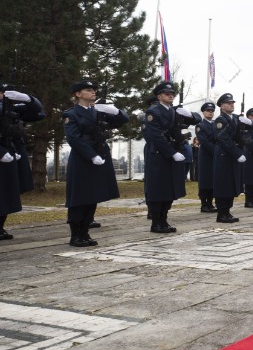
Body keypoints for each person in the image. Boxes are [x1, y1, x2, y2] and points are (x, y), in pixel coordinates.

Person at [62, 80, 129, 247]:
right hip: (82, 159)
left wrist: (115, 110)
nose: (93, 92)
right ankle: (76, 235)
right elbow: (73, 138)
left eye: (94, 90)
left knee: (93, 196)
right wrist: (91, 155)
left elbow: (123, 120)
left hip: (100, 155)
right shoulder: (71, 114)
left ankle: (85, 232)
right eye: (88, 90)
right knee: (79, 197)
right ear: (78, 94)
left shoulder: (98, 111)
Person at [142, 81, 201, 233]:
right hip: (157, 154)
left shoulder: (173, 111)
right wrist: (172, 153)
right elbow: (155, 137)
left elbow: (193, 121)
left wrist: (188, 114)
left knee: (168, 189)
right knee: (158, 189)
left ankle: (164, 220)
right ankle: (156, 222)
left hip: (171, 153)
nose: (170, 96)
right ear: (159, 96)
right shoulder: (153, 112)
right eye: (167, 94)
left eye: (172, 94)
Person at [1, 82, 45, 240]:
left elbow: (39, 113)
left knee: (7, 192)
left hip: (11, 152)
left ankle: (0, 227)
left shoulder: (12, 109)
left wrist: (28, 99)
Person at [213, 93, 250, 223]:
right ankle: (221, 213)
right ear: (222, 106)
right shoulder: (220, 120)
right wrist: (237, 153)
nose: (231, 105)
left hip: (232, 156)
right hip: (224, 156)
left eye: (232, 103)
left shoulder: (235, 118)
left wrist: (248, 125)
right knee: (224, 185)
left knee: (231, 184)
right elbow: (224, 139)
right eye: (228, 103)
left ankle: (227, 211)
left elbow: (241, 136)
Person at [195, 102, 218, 213]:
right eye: (208, 111)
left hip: (215, 156)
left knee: (213, 180)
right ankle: (204, 204)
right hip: (206, 156)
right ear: (203, 112)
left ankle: (210, 203)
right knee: (205, 180)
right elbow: (204, 141)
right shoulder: (200, 126)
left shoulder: (216, 124)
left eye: (212, 111)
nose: (210, 112)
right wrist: (216, 151)